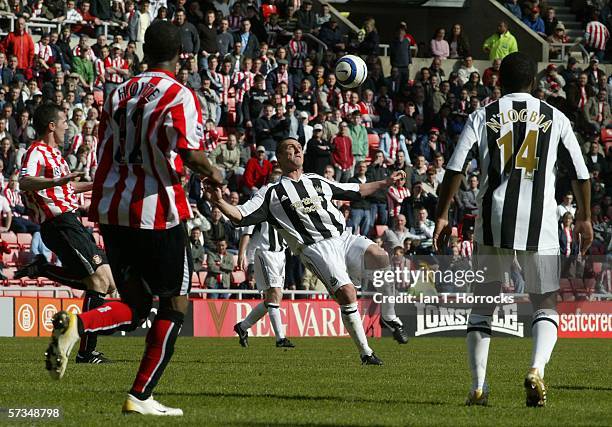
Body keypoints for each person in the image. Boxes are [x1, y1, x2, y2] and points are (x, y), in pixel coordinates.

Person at [44, 21, 223, 416]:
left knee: (137, 304)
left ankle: (79, 325)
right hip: (156, 209)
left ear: (144, 48)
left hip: (112, 208)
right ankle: (139, 396)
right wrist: (216, 174)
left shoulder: (117, 93)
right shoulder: (179, 95)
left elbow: (107, 149)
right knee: (175, 304)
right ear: (182, 54)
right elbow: (191, 155)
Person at [433, 52, 592, 407]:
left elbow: (455, 168)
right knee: (545, 301)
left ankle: (478, 386)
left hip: (493, 219)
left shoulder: (483, 115)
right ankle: (536, 369)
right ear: (533, 83)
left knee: (484, 303)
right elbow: (581, 172)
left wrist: (442, 215)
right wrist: (584, 217)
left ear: (497, 81)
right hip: (541, 224)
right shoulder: (555, 117)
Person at [207, 137, 410, 364]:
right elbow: (240, 215)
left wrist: (386, 182)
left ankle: (389, 316)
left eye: (298, 147)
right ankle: (366, 353)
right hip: (315, 248)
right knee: (347, 293)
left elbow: (356, 190)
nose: (296, 150)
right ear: (280, 159)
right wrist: (219, 202)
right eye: (289, 148)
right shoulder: (270, 192)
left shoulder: (316, 180)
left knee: (380, 256)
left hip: (343, 238)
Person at [15, 102, 118, 366]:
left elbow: (67, 188)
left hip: (72, 221)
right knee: (96, 283)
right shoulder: (36, 152)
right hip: (58, 224)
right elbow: (25, 181)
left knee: (107, 280)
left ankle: (44, 269)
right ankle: (86, 353)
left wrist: (100, 184)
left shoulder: (56, 155)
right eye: (63, 122)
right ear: (51, 126)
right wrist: (55, 182)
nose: (67, 128)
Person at [235, 179, 295, 348]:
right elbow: (247, 229)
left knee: (273, 298)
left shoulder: (286, 205)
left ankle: (243, 327)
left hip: (281, 254)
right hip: (265, 253)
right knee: (274, 294)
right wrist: (242, 254)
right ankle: (280, 339)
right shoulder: (260, 203)